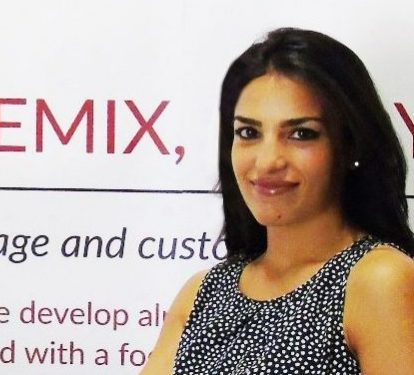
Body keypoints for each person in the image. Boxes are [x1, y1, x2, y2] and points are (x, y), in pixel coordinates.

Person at [142, 28, 414, 374]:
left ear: (350, 146)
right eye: (249, 133)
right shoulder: (202, 293)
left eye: (301, 134)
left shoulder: (380, 280)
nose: (268, 161)